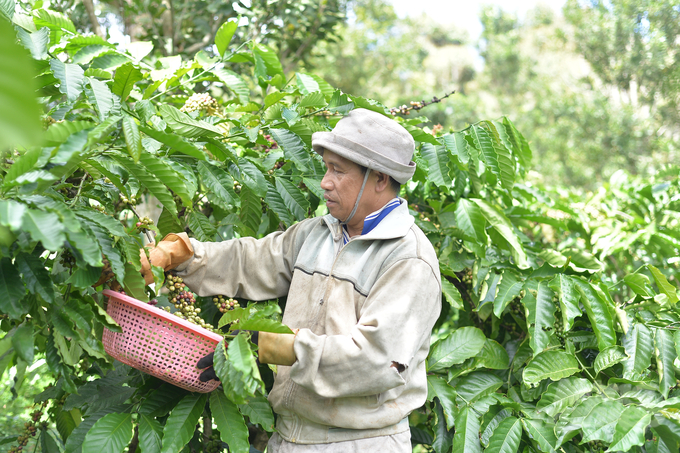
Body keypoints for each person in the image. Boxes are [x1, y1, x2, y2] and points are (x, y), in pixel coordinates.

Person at [140, 108, 442, 452]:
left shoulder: (408, 258)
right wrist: (179, 253)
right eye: (326, 168)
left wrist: (272, 344)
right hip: (289, 438)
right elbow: (250, 261)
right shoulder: (318, 233)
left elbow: (373, 360)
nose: (324, 181)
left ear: (380, 178)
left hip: (360, 443)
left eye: (337, 171)